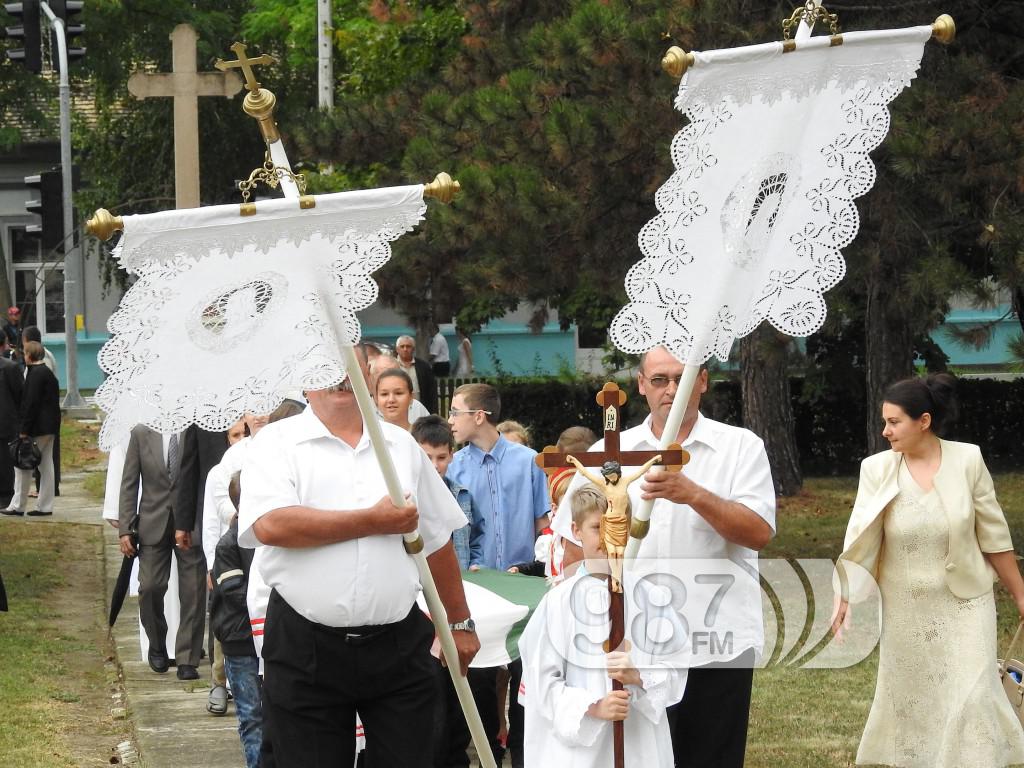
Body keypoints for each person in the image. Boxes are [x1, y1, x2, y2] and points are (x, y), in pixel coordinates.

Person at [238, 345, 478, 766]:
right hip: (305, 646)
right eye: (326, 368)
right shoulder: (275, 444)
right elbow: (272, 525)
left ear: (368, 373)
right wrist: (372, 520)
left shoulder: (400, 446)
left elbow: (437, 540)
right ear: (305, 380)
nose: (341, 377)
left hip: (398, 643)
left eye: (351, 366)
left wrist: (459, 622)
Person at [552, 346, 775, 768]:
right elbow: (574, 547)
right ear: (641, 385)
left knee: (711, 757)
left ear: (703, 382)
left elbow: (758, 532)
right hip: (635, 643)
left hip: (714, 640)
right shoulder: (612, 451)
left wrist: (692, 494)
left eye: (683, 379)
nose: (671, 390)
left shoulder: (740, 447)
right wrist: (588, 621)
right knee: (640, 758)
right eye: (659, 380)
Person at [834, 374, 1024, 767]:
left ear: (924, 421)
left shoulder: (968, 459)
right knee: (917, 702)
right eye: (884, 422)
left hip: (965, 603)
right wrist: (845, 594)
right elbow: (859, 538)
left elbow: (994, 533)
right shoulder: (876, 469)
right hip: (905, 608)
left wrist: (1021, 595)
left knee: (972, 697)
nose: (885, 431)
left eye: (894, 422)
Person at [519, 484, 688, 767]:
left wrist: (638, 675)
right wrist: (593, 707)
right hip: (579, 751)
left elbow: (676, 667)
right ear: (576, 530)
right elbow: (541, 684)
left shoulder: (652, 599)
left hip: (637, 744)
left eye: (617, 527)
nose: (609, 538)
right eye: (598, 527)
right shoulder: (557, 604)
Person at [446, 382, 550, 768]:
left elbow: (543, 521)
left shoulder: (529, 461)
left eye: (456, 411)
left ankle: (524, 753)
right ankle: (490, 750)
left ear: (479, 415)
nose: (451, 420)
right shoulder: (455, 467)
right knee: (482, 678)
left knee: (527, 674)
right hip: (478, 589)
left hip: (526, 585)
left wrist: (539, 567)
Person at [119, 424, 207, 680]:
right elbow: (129, 482)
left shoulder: (195, 430)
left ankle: (187, 659)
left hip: (190, 523)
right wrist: (125, 527)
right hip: (152, 522)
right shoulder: (140, 433)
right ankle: (157, 641)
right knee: (150, 587)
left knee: (193, 591)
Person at [211, 471, 263, 768]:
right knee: (251, 714)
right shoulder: (229, 544)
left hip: (269, 638)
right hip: (241, 640)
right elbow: (235, 593)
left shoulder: (269, 536)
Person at [3, 341, 59, 517]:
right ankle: (45, 505)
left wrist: (24, 429)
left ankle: (18, 505)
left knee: (22, 464)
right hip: (50, 427)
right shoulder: (47, 373)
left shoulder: (34, 375)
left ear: (29, 355)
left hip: (37, 428)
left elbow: (30, 404)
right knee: (45, 465)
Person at [0, 335, 23, 508]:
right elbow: (21, 395)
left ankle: (6, 496)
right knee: (7, 463)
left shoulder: (9, 367)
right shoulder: (11, 368)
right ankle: (6, 496)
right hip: (7, 422)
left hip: (6, 423)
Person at [395, 334, 438, 414]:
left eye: (408, 346)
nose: (405, 349)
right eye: (402, 346)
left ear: (413, 349)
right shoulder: (392, 365)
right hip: (398, 410)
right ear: (397, 349)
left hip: (420, 411)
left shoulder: (423, 367)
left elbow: (432, 392)